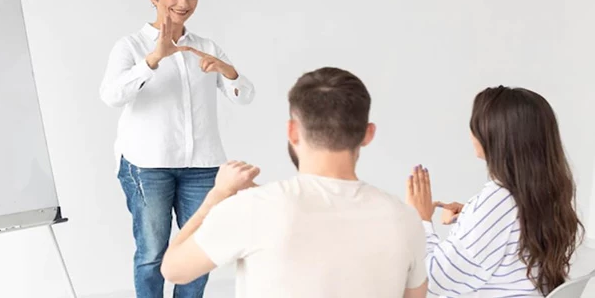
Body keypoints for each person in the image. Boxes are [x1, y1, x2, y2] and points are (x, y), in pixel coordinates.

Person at [160, 67, 429, 298]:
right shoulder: (405, 219)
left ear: (292, 131)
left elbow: (173, 269)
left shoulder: (254, 208)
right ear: (368, 134)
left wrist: (219, 194)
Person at [99, 0, 255, 298]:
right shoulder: (130, 46)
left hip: (202, 166)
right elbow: (111, 95)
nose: (183, 3)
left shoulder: (206, 46)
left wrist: (228, 71)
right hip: (147, 165)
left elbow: (245, 97)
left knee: (200, 250)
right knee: (152, 253)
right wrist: (153, 59)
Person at [406, 85, 584, 297]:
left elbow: (433, 281)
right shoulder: (544, 193)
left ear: (495, 135)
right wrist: (471, 215)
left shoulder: (498, 201)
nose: (471, 132)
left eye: (476, 125)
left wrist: (421, 221)